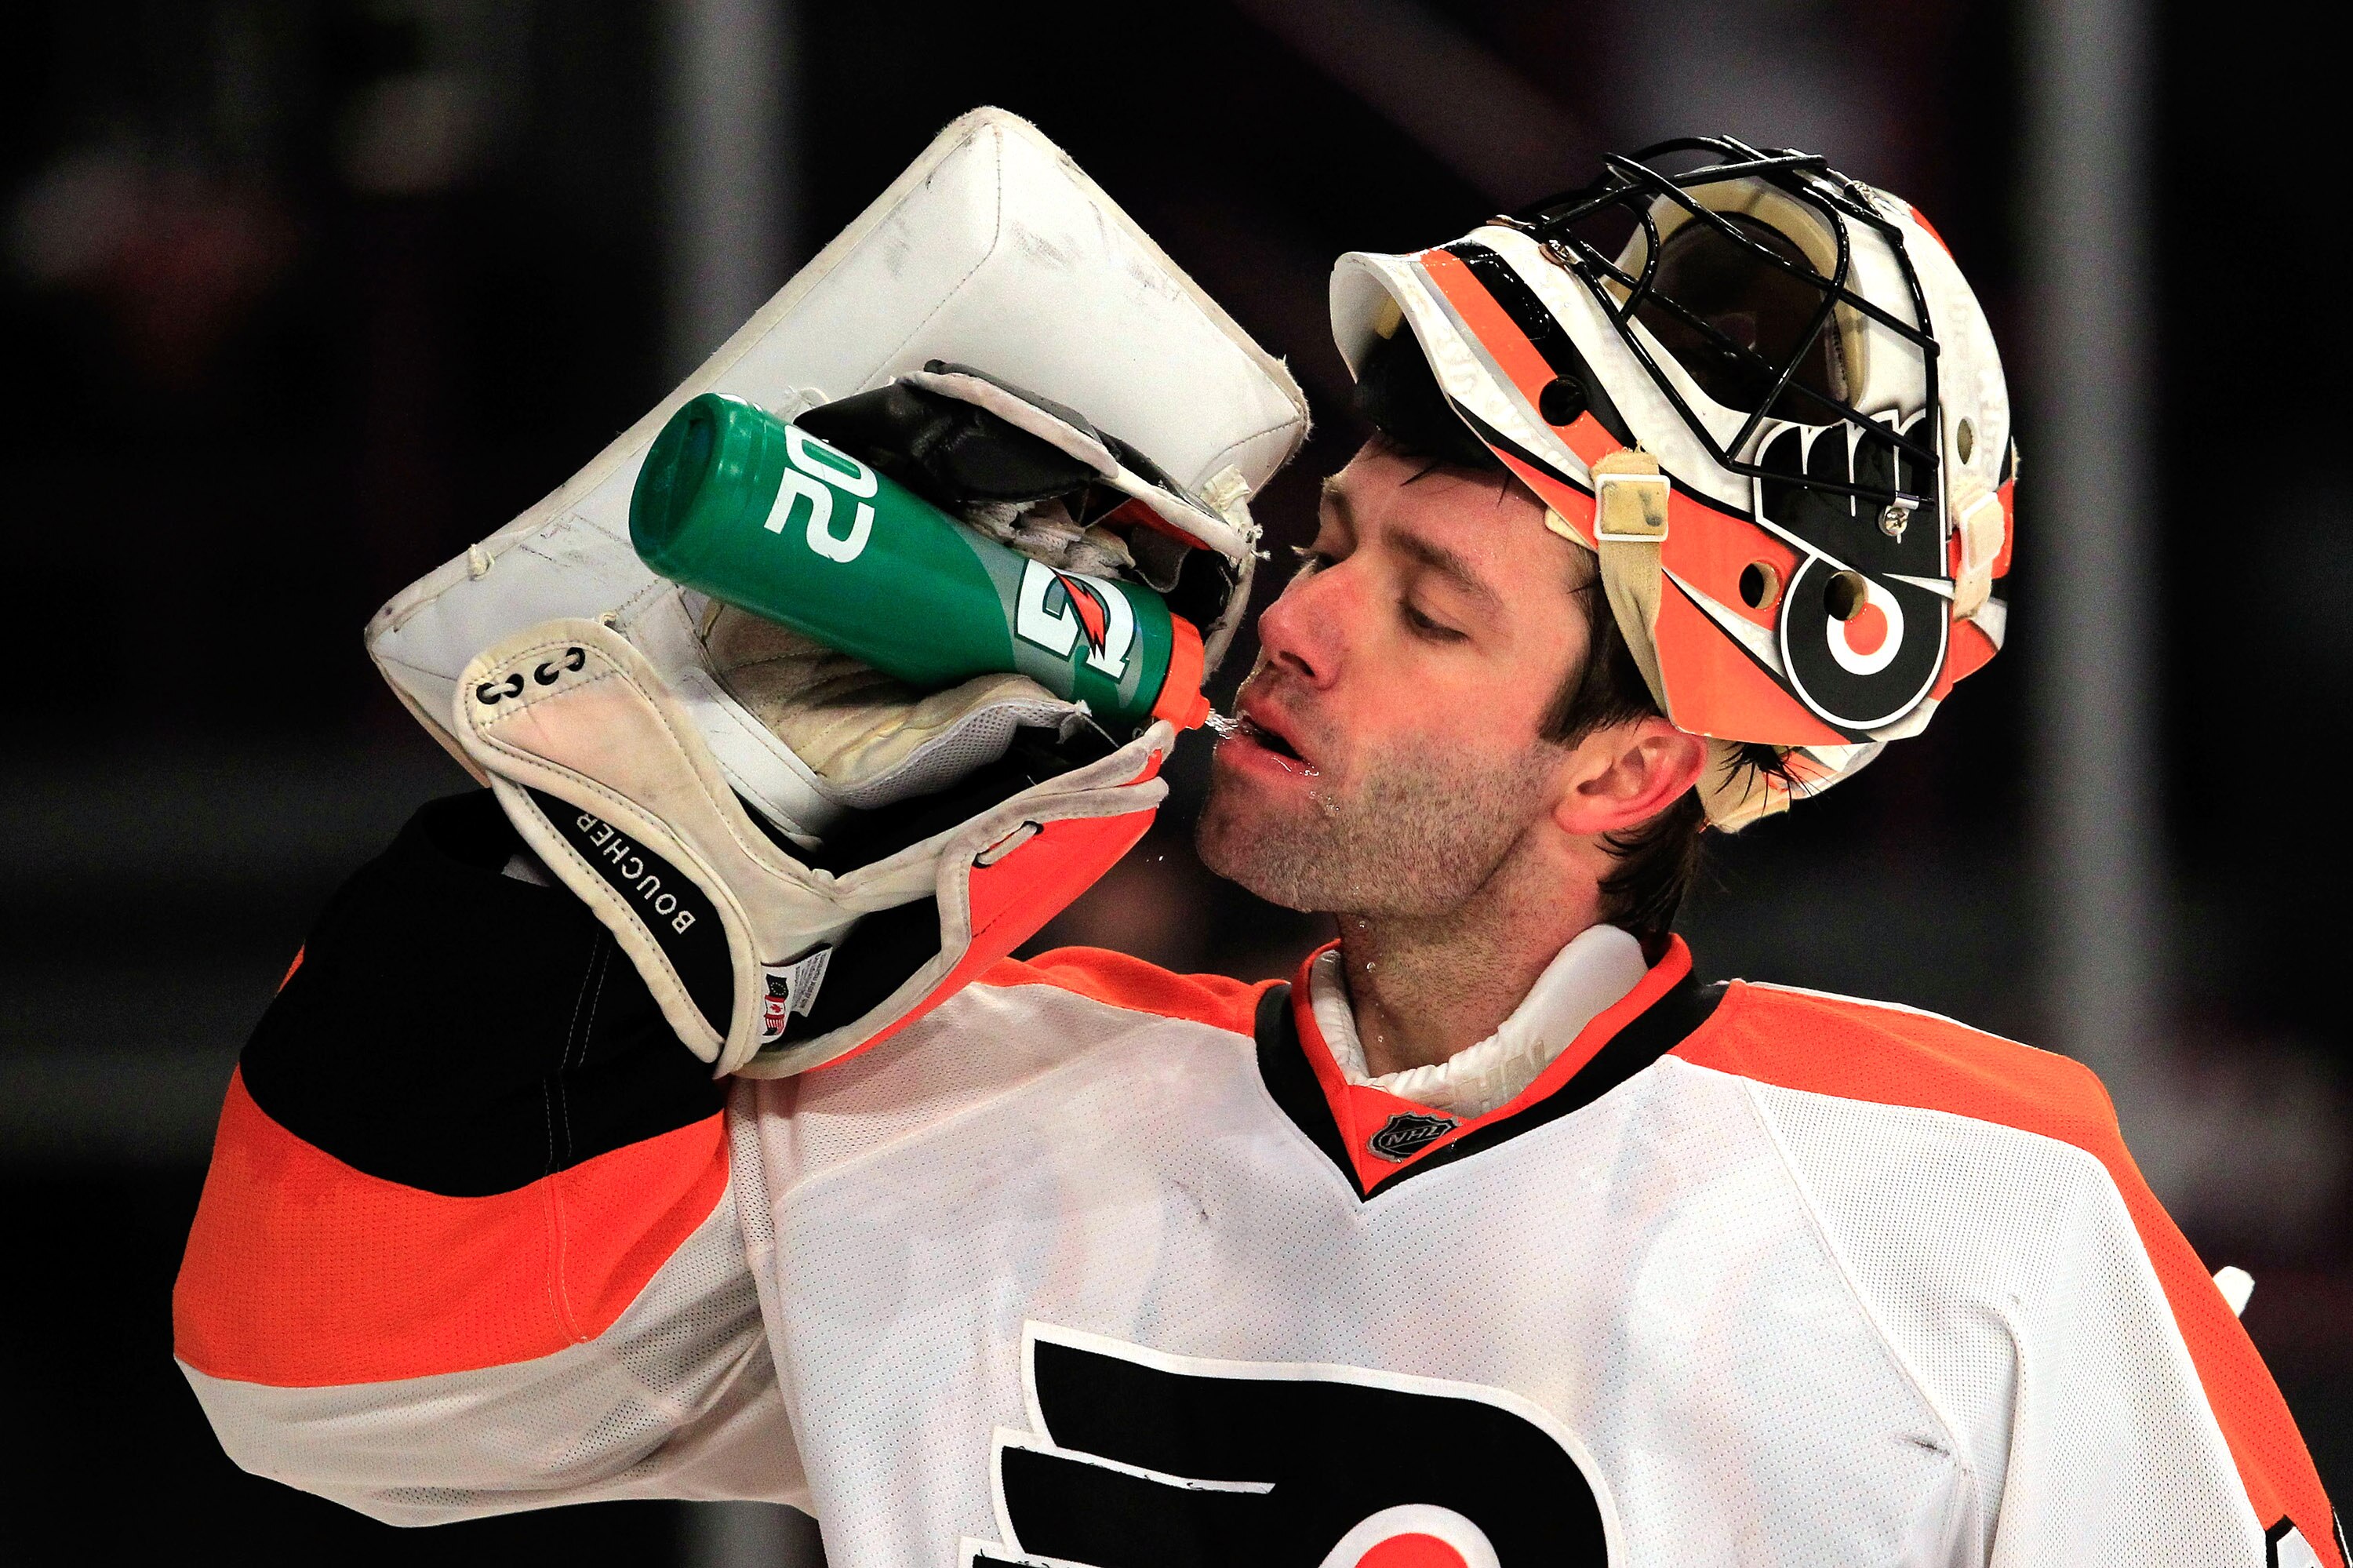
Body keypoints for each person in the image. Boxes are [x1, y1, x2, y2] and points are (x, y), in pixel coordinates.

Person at [175, 139, 2344, 1567]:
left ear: (1631, 771)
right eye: (1337, 543)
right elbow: (322, 1390)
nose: (1294, 617)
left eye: (1432, 608)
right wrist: (642, 869)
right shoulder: (937, 1091)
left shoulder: (1991, 1205)